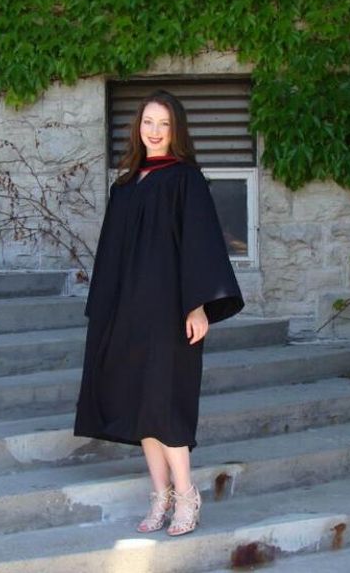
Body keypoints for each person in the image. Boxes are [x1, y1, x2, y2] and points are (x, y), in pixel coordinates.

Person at [73, 89, 244, 537]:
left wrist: (198, 305)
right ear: (138, 128)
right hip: (130, 310)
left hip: (171, 311)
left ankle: (186, 495)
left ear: (176, 131)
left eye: (163, 124)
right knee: (139, 405)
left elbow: (200, 245)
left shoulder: (185, 179)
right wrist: (105, 313)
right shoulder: (126, 185)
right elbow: (111, 254)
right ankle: (160, 496)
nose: (154, 131)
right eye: (148, 122)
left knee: (167, 405)